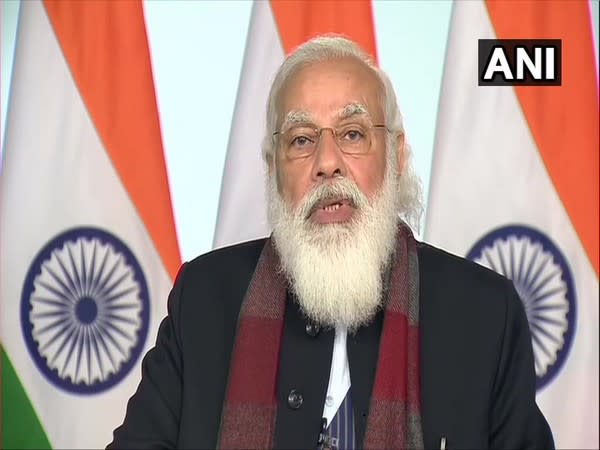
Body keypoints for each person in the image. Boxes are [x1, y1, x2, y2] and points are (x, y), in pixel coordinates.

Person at [108, 35, 553, 450]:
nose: (326, 163)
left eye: (353, 134)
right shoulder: (204, 299)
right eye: (301, 140)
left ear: (396, 157)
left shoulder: (484, 313)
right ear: (273, 169)